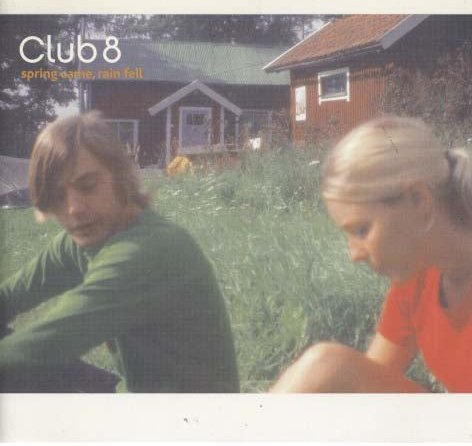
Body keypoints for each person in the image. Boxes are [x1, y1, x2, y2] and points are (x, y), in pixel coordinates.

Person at [0, 111, 239, 393]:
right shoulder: (81, 240)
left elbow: (46, 345)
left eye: (88, 186)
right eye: (58, 195)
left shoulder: (147, 250)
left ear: (119, 177)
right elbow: (8, 298)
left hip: (189, 417)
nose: (74, 208)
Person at [270, 116, 472, 393]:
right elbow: (361, 386)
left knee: (326, 366)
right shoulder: (418, 276)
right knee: (326, 371)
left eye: (361, 230)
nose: (354, 254)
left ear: (419, 199)